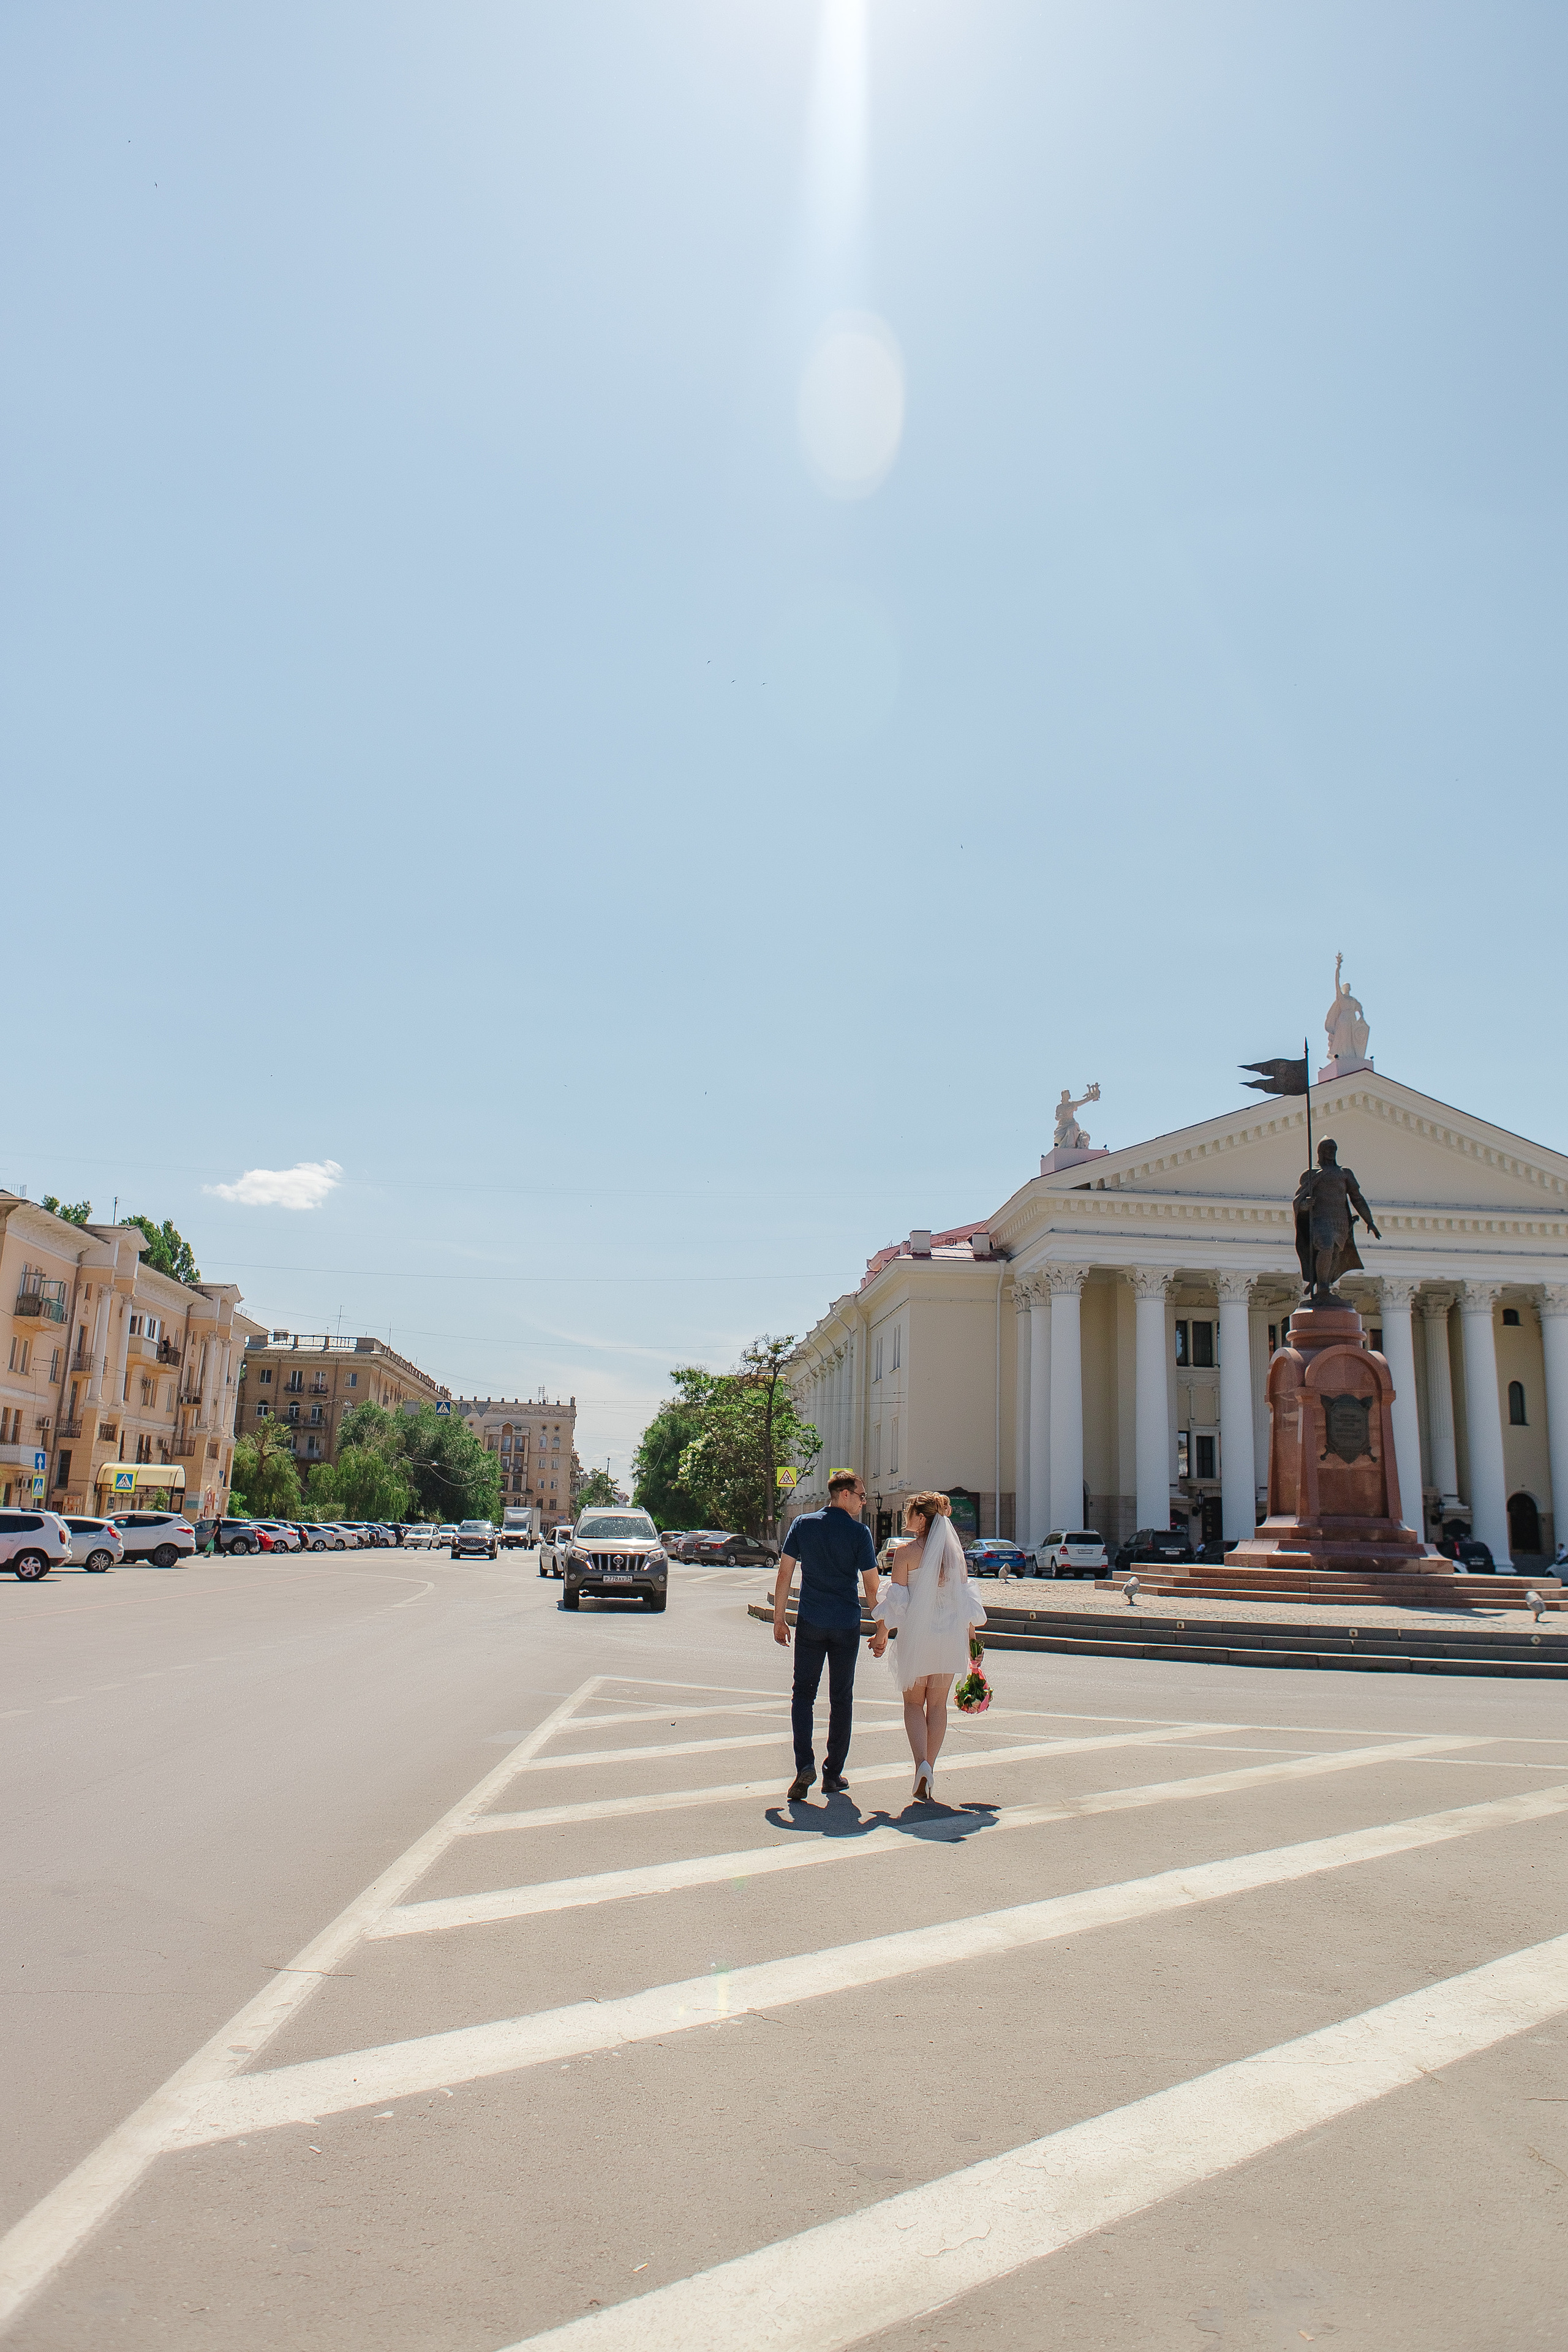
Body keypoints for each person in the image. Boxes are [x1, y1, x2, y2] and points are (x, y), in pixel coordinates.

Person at [772, 1472, 884, 1801]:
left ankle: (804, 1764)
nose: (864, 1501)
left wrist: (780, 1620)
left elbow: (785, 1573)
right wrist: (882, 1628)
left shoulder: (803, 1525)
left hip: (811, 1623)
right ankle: (832, 1774)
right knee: (841, 1699)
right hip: (845, 1625)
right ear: (845, 1495)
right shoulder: (859, 1533)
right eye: (862, 1496)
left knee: (803, 1696)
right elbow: (872, 1587)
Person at [871, 1491, 987, 1803]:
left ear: (921, 1519)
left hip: (917, 1637)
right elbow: (965, 1602)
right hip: (949, 1636)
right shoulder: (955, 1556)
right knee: (937, 1706)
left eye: (909, 1512)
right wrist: (973, 1643)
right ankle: (930, 1768)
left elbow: (897, 1603)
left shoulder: (907, 1553)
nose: (906, 1518)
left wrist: (881, 1634)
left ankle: (920, 1764)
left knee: (913, 1705)